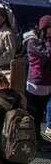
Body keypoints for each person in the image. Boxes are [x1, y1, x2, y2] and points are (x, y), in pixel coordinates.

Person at [26, 15, 51, 149]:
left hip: (47, 82)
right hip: (36, 82)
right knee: (34, 113)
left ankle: (37, 138)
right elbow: (48, 54)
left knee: (40, 112)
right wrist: (49, 40)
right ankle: (33, 140)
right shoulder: (33, 42)